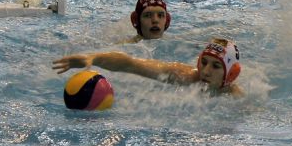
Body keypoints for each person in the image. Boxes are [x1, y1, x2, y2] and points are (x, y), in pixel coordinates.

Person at [52, 36, 243, 95]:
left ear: (230, 74)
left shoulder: (236, 98)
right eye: (204, 62)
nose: (206, 71)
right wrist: (93, 58)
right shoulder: (185, 76)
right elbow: (131, 64)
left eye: (216, 66)